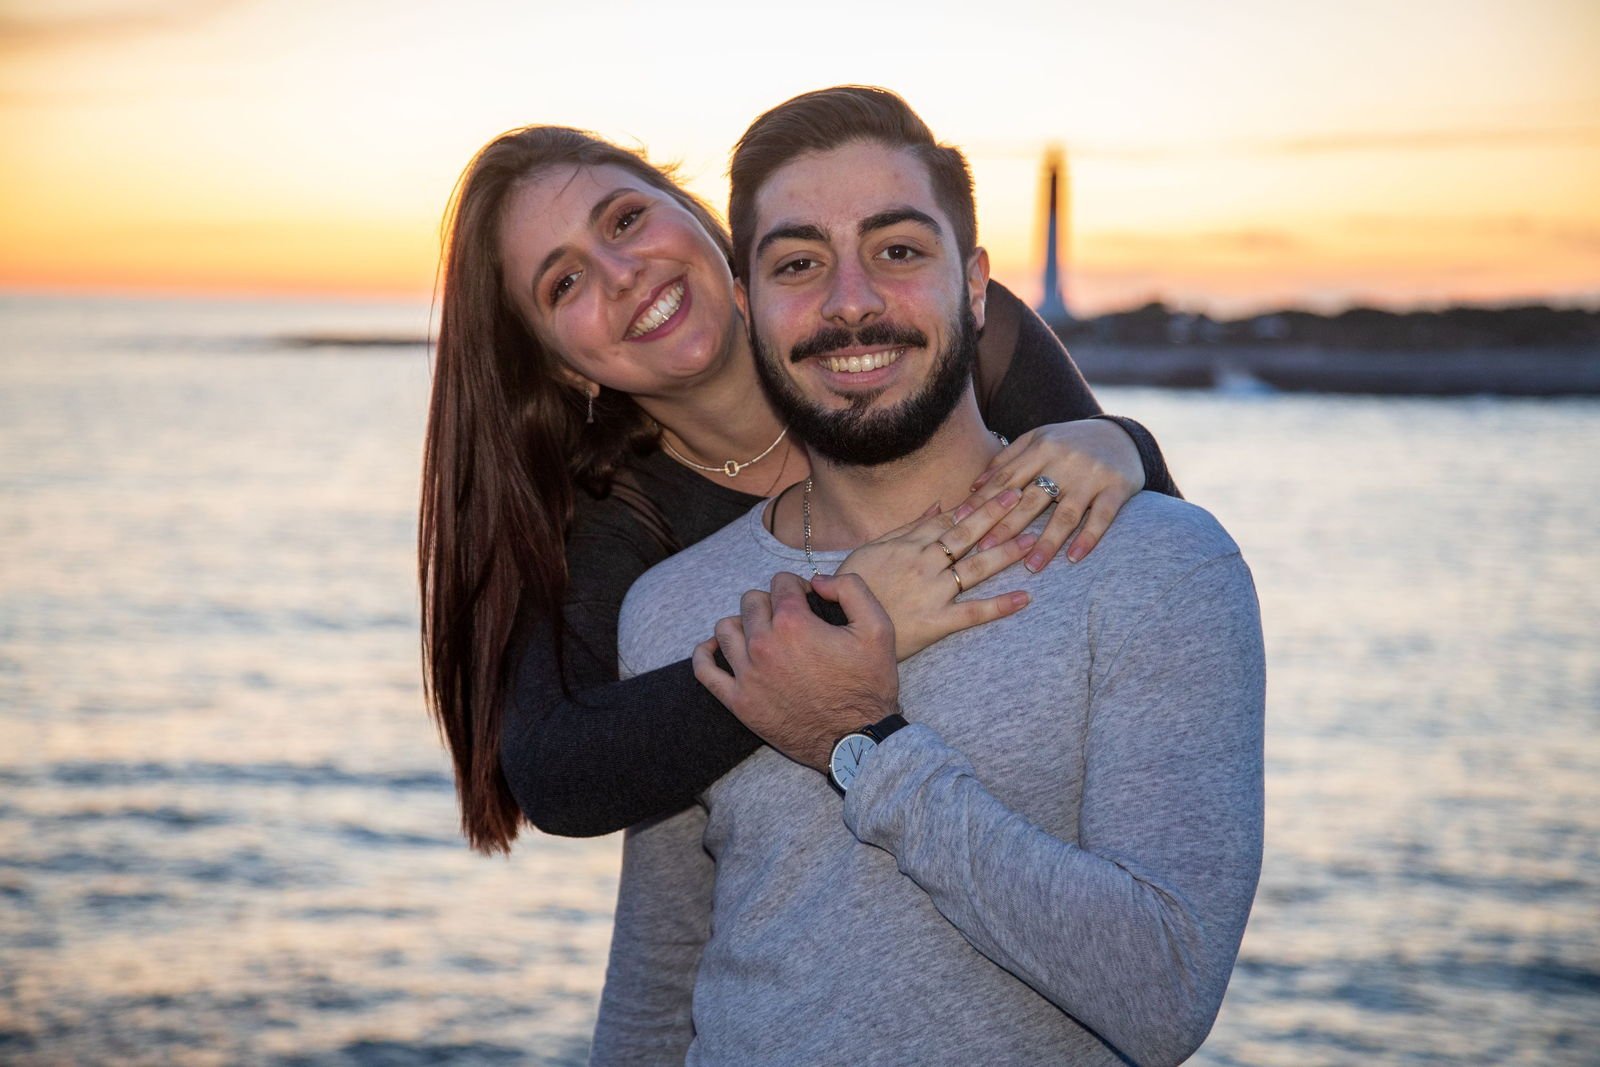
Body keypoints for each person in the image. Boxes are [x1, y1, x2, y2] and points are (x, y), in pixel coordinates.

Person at [590, 87, 1265, 1065]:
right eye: (798, 263)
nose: (850, 299)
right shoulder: (671, 606)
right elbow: (656, 985)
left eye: (897, 251)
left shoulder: (1160, 566)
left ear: (976, 284)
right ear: (745, 302)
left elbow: (1163, 991)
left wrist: (864, 741)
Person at [419, 124, 1181, 851]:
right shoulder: (622, 514)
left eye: (624, 221)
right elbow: (558, 772)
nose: (622, 276)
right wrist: (828, 629)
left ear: (696, 215)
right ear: (561, 366)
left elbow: (1167, 598)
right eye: (566, 281)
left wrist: (1126, 444)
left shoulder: (925, 334)